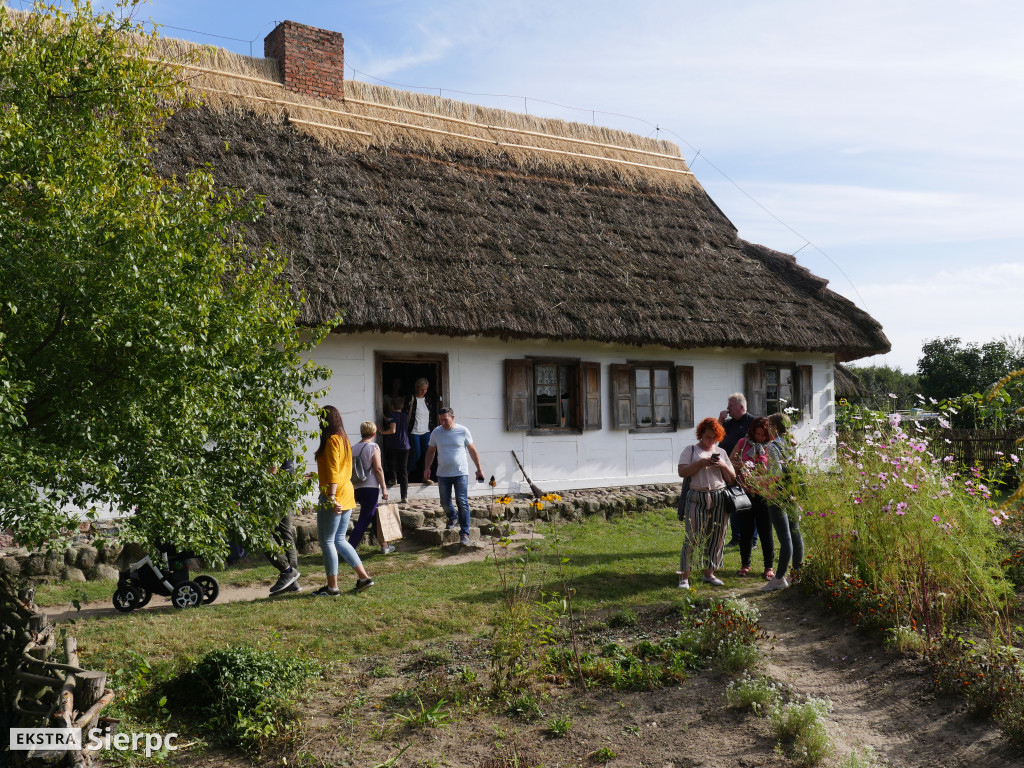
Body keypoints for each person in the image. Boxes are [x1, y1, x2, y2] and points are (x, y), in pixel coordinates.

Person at [313, 406, 374, 595]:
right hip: (346, 491)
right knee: (339, 539)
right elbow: (337, 470)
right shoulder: (343, 438)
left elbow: (333, 470)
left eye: (321, 419)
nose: (319, 423)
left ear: (327, 421)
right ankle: (364, 578)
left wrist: (331, 497)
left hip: (335, 493)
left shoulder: (332, 440)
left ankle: (332, 588)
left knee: (327, 541)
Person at [676, 417, 738, 589]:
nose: (711, 441)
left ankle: (709, 573)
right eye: (708, 437)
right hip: (697, 495)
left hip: (719, 496)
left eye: (714, 438)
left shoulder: (722, 452)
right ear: (701, 435)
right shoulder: (691, 450)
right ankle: (684, 576)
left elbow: (732, 479)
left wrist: (723, 465)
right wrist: (702, 462)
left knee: (718, 536)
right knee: (693, 536)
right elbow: (682, 471)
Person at [422, 407, 484, 546]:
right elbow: (431, 451)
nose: (443, 423)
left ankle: (464, 533)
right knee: (445, 502)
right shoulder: (436, 432)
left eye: (445, 420)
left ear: (452, 417)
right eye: (441, 420)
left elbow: (472, 450)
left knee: (462, 501)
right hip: (443, 473)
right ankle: (452, 516)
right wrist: (427, 467)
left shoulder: (463, 431)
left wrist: (479, 469)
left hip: (460, 472)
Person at [761, 412, 805, 591]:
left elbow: (776, 474)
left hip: (777, 494)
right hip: (793, 492)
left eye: (769, 425)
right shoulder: (794, 444)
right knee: (795, 533)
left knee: (785, 536)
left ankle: (779, 578)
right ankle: (796, 574)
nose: (767, 429)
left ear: (775, 427)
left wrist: (762, 484)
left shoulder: (773, 447)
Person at [730, 417, 776, 581]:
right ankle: (745, 564)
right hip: (746, 492)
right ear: (752, 432)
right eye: (757, 434)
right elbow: (730, 461)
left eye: (763, 435)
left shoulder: (771, 446)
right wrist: (743, 465)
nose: (760, 437)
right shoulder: (743, 443)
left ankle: (769, 567)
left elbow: (778, 467)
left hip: (764, 493)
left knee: (765, 531)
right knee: (745, 530)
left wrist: (765, 469)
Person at [348, 421, 395, 554]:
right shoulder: (373, 447)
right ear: (374, 433)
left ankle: (384, 546)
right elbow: (378, 468)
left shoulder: (353, 448)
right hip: (370, 487)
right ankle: (349, 549)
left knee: (374, 516)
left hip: (357, 486)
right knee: (364, 518)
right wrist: (384, 488)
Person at [720, 393, 756, 547]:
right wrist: (720, 420)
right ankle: (736, 538)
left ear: (741, 407)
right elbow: (713, 436)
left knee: (749, 505)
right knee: (733, 503)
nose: (728, 408)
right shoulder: (727, 423)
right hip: (729, 469)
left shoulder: (753, 422)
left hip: (747, 471)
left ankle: (752, 540)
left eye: (731, 405)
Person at [266, 459, 302, 595]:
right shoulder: (285, 441)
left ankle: (287, 571)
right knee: (286, 534)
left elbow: (272, 470)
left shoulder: (274, 441)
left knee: (260, 534)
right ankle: (292, 580)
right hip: (286, 492)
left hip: (276, 494)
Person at [407, 378, 438, 482]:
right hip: (414, 431)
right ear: (417, 388)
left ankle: (426, 477)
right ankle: (405, 475)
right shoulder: (410, 399)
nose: (423, 391)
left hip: (426, 431)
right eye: (421, 389)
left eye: (425, 389)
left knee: (428, 455)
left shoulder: (428, 400)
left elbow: (432, 416)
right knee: (416, 455)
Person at [380, 396, 410, 503]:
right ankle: (404, 496)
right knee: (403, 470)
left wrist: (382, 432)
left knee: (389, 460)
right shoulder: (405, 416)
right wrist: (385, 418)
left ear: (392, 406)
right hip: (405, 445)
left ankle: (393, 478)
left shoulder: (392, 415)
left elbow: (392, 430)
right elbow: (394, 422)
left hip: (395, 444)